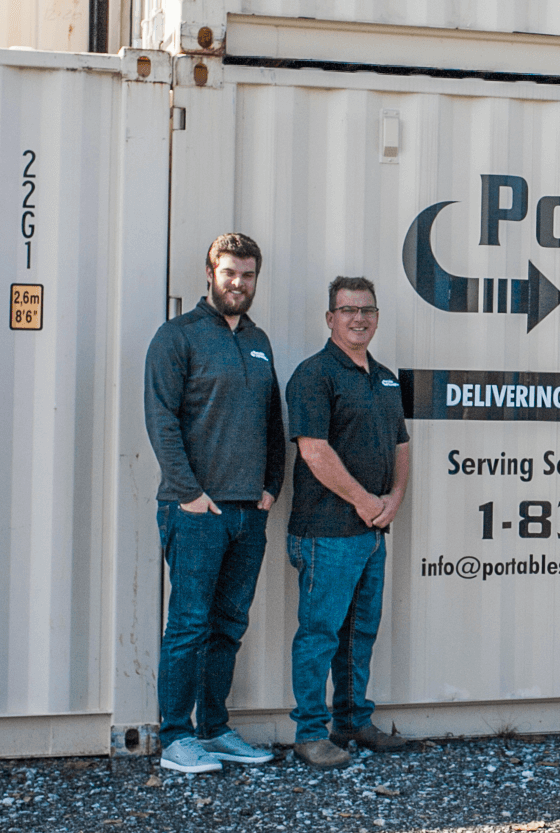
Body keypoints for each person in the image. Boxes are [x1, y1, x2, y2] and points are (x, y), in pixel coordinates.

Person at [144, 233, 287, 774]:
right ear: (210, 273)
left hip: (249, 512)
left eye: (248, 275)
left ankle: (214, 728)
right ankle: (176, 737)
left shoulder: (259, 340)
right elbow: (161, 419)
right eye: (230, 272)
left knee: (229, 624)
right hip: (196, 512)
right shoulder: (177, 337)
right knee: (188, 625)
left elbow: (273, 422)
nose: (239, 283)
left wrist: (271, 485)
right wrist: (190, 494)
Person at [283, 276, 412, 769]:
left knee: (360, 632)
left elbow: (401, 444)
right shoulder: (315, 375)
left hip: (372, 530)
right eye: (348, 310)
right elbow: (314, 450)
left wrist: (394, 497)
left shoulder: (382, 376)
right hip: (326, 531)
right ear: (330, 318)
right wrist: (363, 501)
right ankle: (310, 734)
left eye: (367, 310)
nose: (359, 318)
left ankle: (353, 721)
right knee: (320, 634)